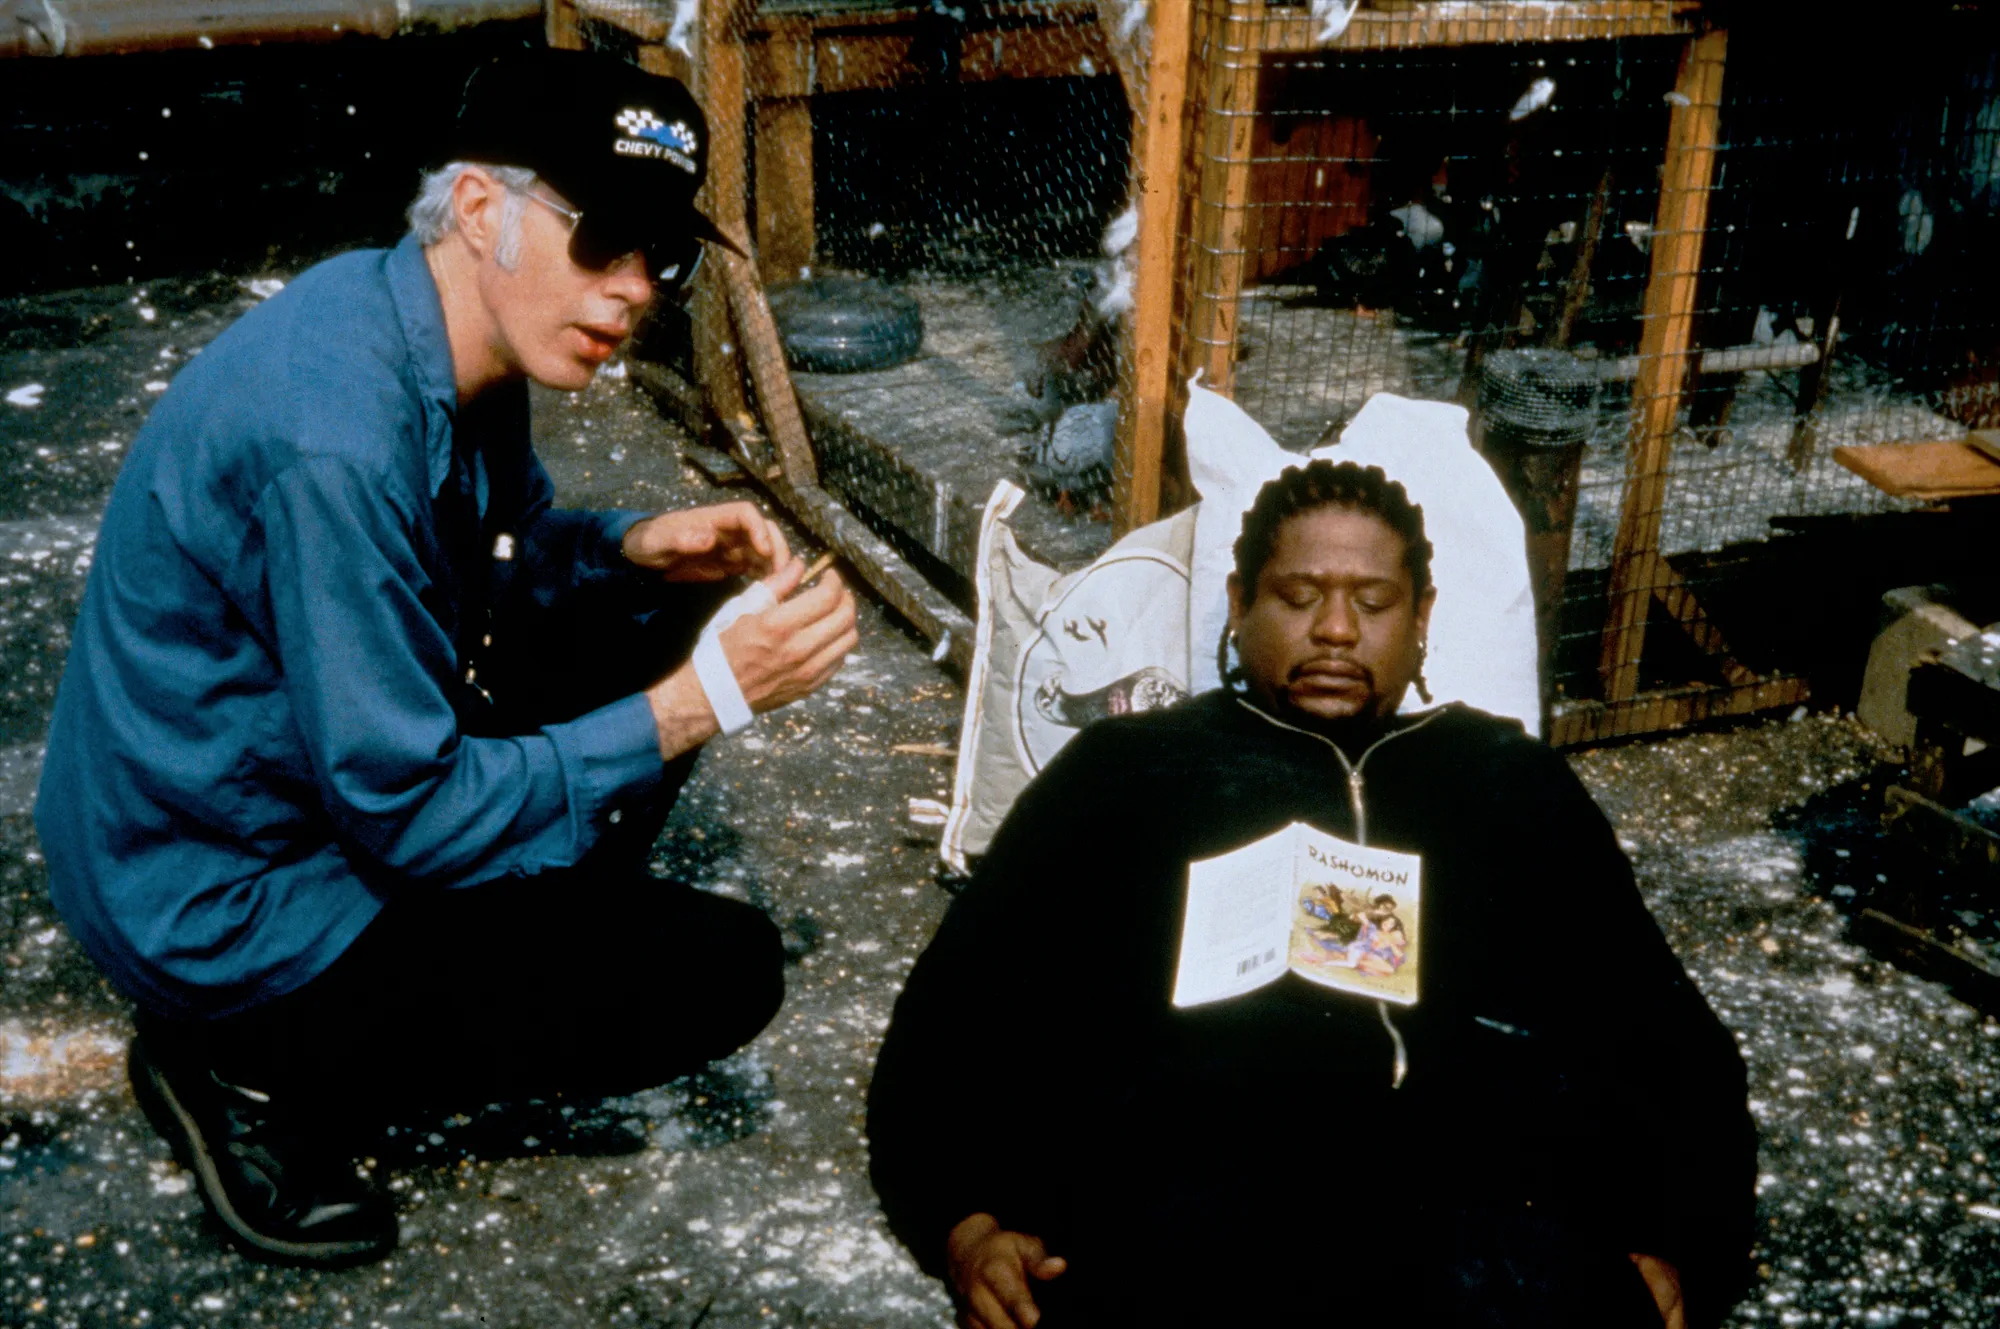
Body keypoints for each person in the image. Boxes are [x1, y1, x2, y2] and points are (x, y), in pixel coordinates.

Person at [34, 48, 857, 1268]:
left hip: (283, 790)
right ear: (479, 207)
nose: (636, 288)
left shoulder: (432, 319)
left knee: (673, 603)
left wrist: (632, 548)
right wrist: (704, 702)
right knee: (719, 975)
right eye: (604, 241)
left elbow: (493, 558)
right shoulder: (335, 436)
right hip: (219, 899)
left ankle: (507, 921)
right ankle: (239, 1070)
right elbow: (407, 805)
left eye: (662, 255)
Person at [867, 460, 1755, 1329]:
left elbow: (1662, 1038)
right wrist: (965, 1223)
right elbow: (957, 1018)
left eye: (1373, 602)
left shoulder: (1508, 782)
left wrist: (1677, 1239)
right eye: (1297, 597)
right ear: (1239, 604)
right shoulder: (1130, 772)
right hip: (1189, 1232)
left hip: (1481, 1240)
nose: (1335, 629)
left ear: (1421, 618)